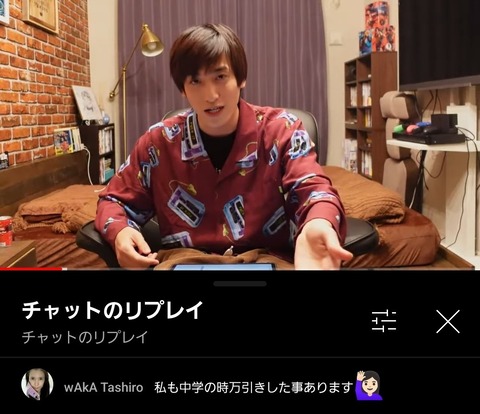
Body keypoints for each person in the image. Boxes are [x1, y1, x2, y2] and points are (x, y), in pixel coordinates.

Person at [95, 23, 353, 270]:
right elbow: (114, 200)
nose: (211, 95)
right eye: (195, 81)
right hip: (184, 260)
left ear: (241, 78)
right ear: (182, 88)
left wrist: (319, 223)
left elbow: (313, 189)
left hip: (268, 259)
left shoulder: (283, 130)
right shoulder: (158, 142)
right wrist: (121, 233)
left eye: (220, 77)